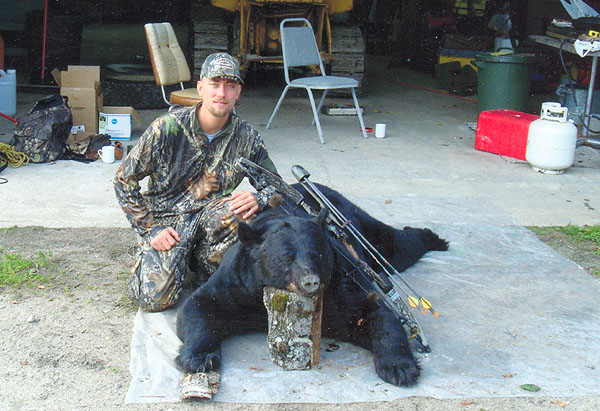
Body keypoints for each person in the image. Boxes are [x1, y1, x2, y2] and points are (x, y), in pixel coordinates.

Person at [114, 53, 279, 312]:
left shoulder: (247, 137)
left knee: (244, 213)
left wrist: (258, 198)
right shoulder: (166, 128)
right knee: (155, 300)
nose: (221, 93)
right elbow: (124, 179)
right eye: (214, 84)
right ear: (200, 88)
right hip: (166, 222)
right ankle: (157, 257)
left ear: (238, 92)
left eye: (230, 86)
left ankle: (204, 268)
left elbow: (277, 187)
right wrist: (150, 229)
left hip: (210, 219)